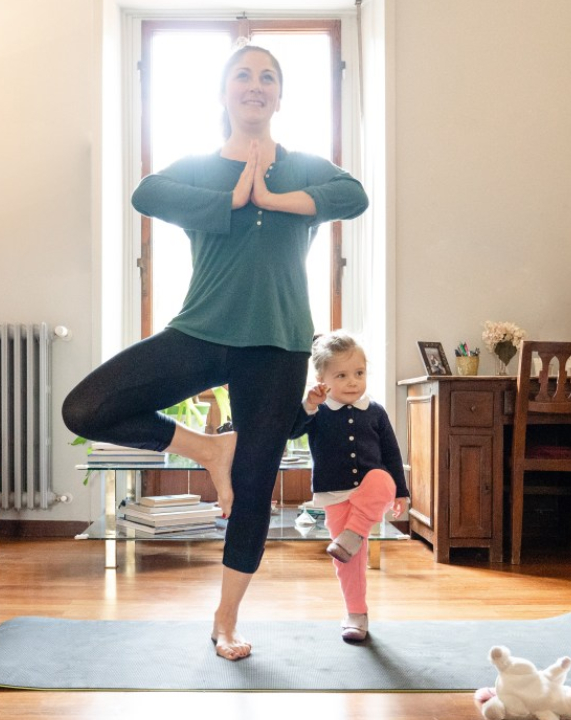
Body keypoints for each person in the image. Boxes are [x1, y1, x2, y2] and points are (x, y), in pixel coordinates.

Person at [62, 44, 368, 661]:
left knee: (254, 484)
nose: (255, 86)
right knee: (86, 408)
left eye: (268, 77)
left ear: (279, 94)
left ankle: (225, 619)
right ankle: (206, 447)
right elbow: (147, 194)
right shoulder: (199, 167)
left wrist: (273, 199)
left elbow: (353, 196)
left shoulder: (306, 166)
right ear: (225, 91)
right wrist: (231, 198)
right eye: (243, 75)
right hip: (201, 329)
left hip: (278, 342)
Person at [290, 330, 410, 643]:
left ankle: (354, 534)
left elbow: (392, 454)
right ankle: (356, 612)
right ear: (321, 378)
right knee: (349, 560)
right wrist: (308, 405)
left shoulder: (375, 411)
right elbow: (292, 431)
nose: (353, 382)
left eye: (359, 373)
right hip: (334, 494)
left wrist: (401, 492)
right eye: (341, 375)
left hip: (371, 494)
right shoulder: (318, 412)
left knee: (382, 477)